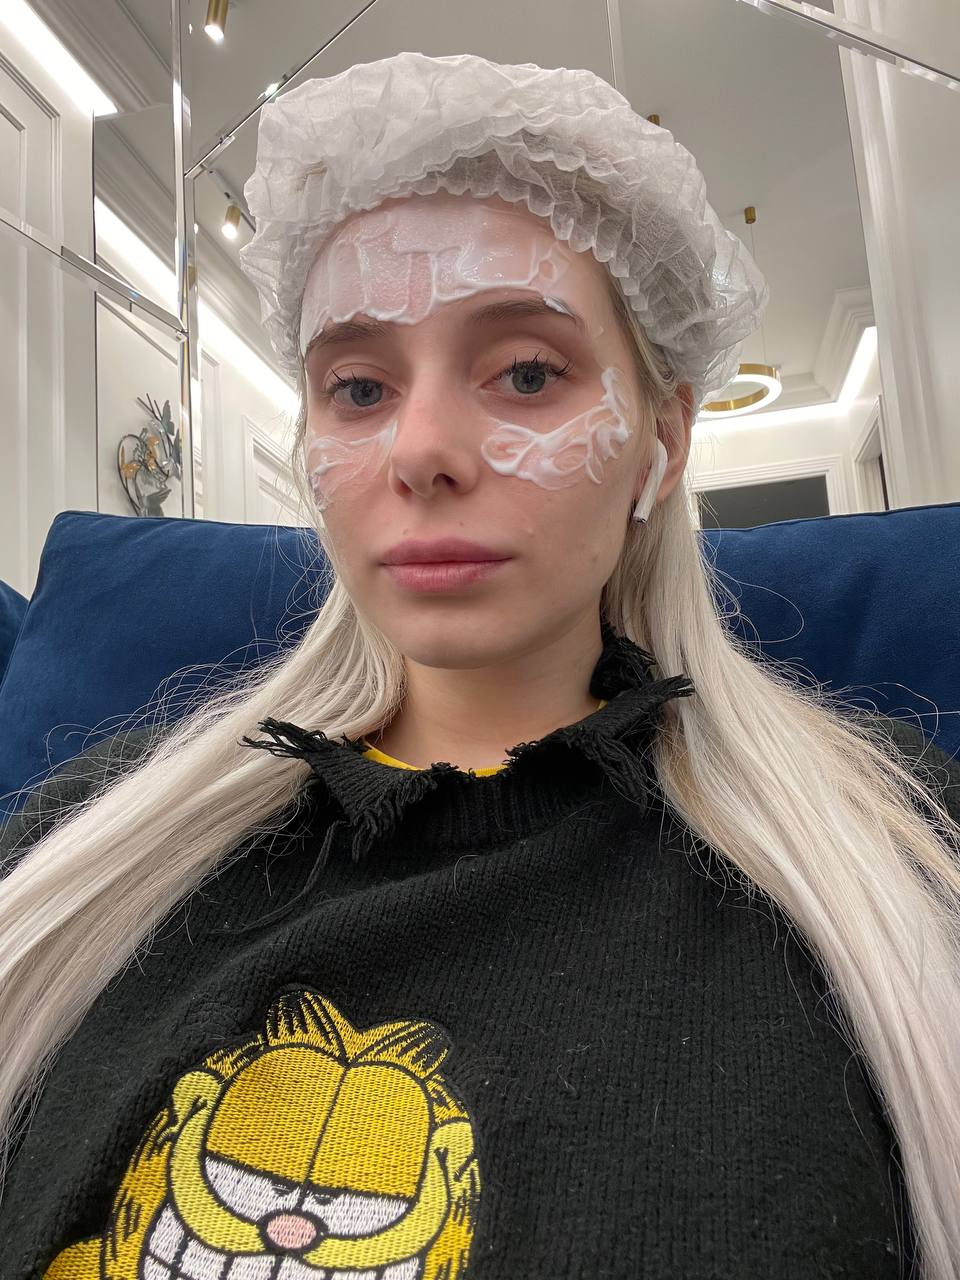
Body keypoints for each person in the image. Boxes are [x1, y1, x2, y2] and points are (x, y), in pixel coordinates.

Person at [1, 50, 959, 1280]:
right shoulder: (87, 841)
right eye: (358, 386)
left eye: (526, 372)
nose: (423, 450)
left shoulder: (892, 854)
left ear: (661, 442)